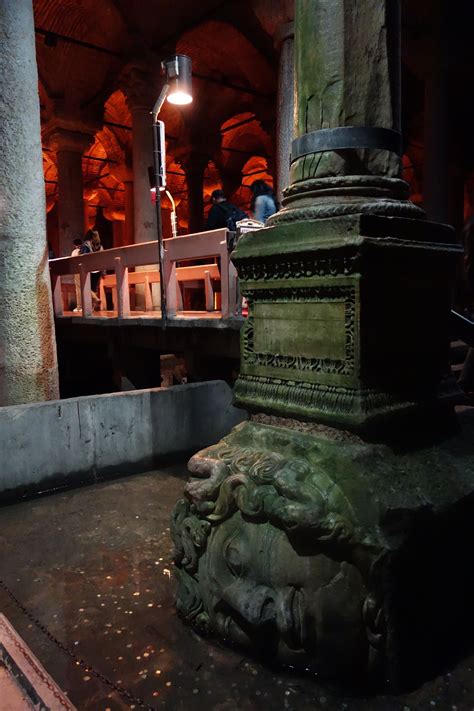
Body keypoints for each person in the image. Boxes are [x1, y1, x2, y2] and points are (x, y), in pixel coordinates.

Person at [80, 229, 103, 310]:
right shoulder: (100, 246)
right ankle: (93, 307)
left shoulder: (86, 244)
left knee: (86, 287)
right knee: (93, 288)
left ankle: (96, 300)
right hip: (98, 269)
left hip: (89, 269)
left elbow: (84, 256)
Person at [71, 238, 83, 312]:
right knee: (86, 288)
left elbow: (72, 262)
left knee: (78, 289)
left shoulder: (75, 251)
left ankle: (79, 306)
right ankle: (89, 306)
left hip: (78, 271)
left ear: (75, 245)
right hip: (86, 271)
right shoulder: (85, 250)